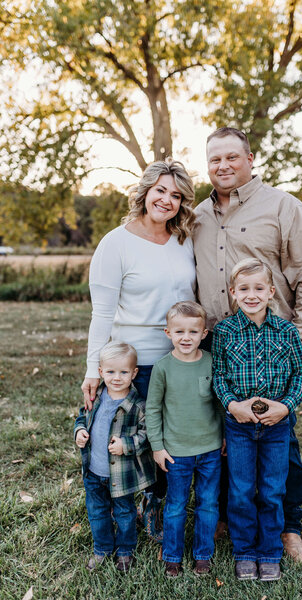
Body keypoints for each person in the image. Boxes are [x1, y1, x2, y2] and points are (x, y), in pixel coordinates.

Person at [194, 127, 302, 562]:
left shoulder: (284, 207)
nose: (224, 166)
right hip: (216, 345)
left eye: (233, 157)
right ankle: (223, 516)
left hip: (273, 346)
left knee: (277, 438)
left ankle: (289, 528)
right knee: (221, 435)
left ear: (251, 159)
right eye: (215, 159)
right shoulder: (196, 216)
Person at [81, 158, 197, 542]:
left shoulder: (185, 241)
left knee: (172, 439)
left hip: (180, 359)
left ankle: (159, 506)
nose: (166, 200)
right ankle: (131, 507)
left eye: (176, 195)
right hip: (134, 365)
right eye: (160, 190)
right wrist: (93, 370)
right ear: (145, 191)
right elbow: (102, 313)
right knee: (137, 440)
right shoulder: (116, 243)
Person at [212, 258, 302, 581]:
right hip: (238, 426)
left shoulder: (286, 331)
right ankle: (244, 551)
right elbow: (219, 377)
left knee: (271, 489)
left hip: (276, 426)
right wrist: (231, 404)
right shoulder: (225, 331)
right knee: (241, 490)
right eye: (243, 289)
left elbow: (301, 373)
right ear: (233, 293)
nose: (251, 295)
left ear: (271, 292)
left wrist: (286, 406)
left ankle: (269, 551)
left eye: (258, 288)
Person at [145, 301, 224, 577]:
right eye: (179, 332)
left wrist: (224, 437)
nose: (186, 338)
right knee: (176, 505)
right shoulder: (163, 367)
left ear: (204, 333)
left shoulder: (213, 363)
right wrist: (157, 447)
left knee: (208, 503)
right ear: (168, 333)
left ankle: (203, 555)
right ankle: (172, 556)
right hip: (176, 452)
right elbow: (152, 409)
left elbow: (220, 403)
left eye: (193, 331)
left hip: (211, 449)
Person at [74, 341, 156, 573]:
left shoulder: (138, 405)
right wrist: (80, 432)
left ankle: (125, 550)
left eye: (123, 372)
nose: (116, 377)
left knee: (124, 512)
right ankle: (101, 548)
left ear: (134, 373)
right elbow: (81, 418)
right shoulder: (96, 397)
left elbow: (147, 434)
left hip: (121, 475)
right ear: (100, 372)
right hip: (93, 471)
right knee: (97, 512)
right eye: (110, 372)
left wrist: (126, 445)